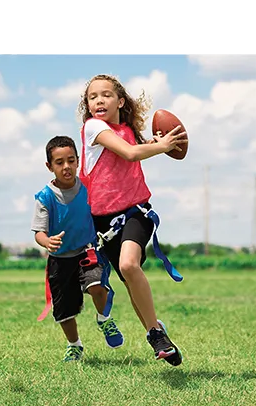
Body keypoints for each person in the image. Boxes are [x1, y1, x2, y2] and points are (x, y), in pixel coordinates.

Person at [77, 74, 189, 367]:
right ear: (87, 105)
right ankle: (159, 335)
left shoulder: (126, 131)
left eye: (106, 95)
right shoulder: (93, 127)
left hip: (135, 213)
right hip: (102, 224)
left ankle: (155, 335)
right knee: (129, 282)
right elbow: (129, 154)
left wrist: (158, 142)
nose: (99, 100)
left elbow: (133, 150)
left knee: (128, 265)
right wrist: (161, 146)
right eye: (92, 97)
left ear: (120, 101)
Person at [31, 135, 124, 362]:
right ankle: (75, 345)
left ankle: (104, 318)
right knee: (64, 310)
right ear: (49, 166)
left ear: (78, 161)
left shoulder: (88, 187)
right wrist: (47, 242)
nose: (66, 167)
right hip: (60, 260)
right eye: (59, 162)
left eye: (71, 161)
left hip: (88, 251)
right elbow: (39, 232)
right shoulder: (45, 197)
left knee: (97, 285)